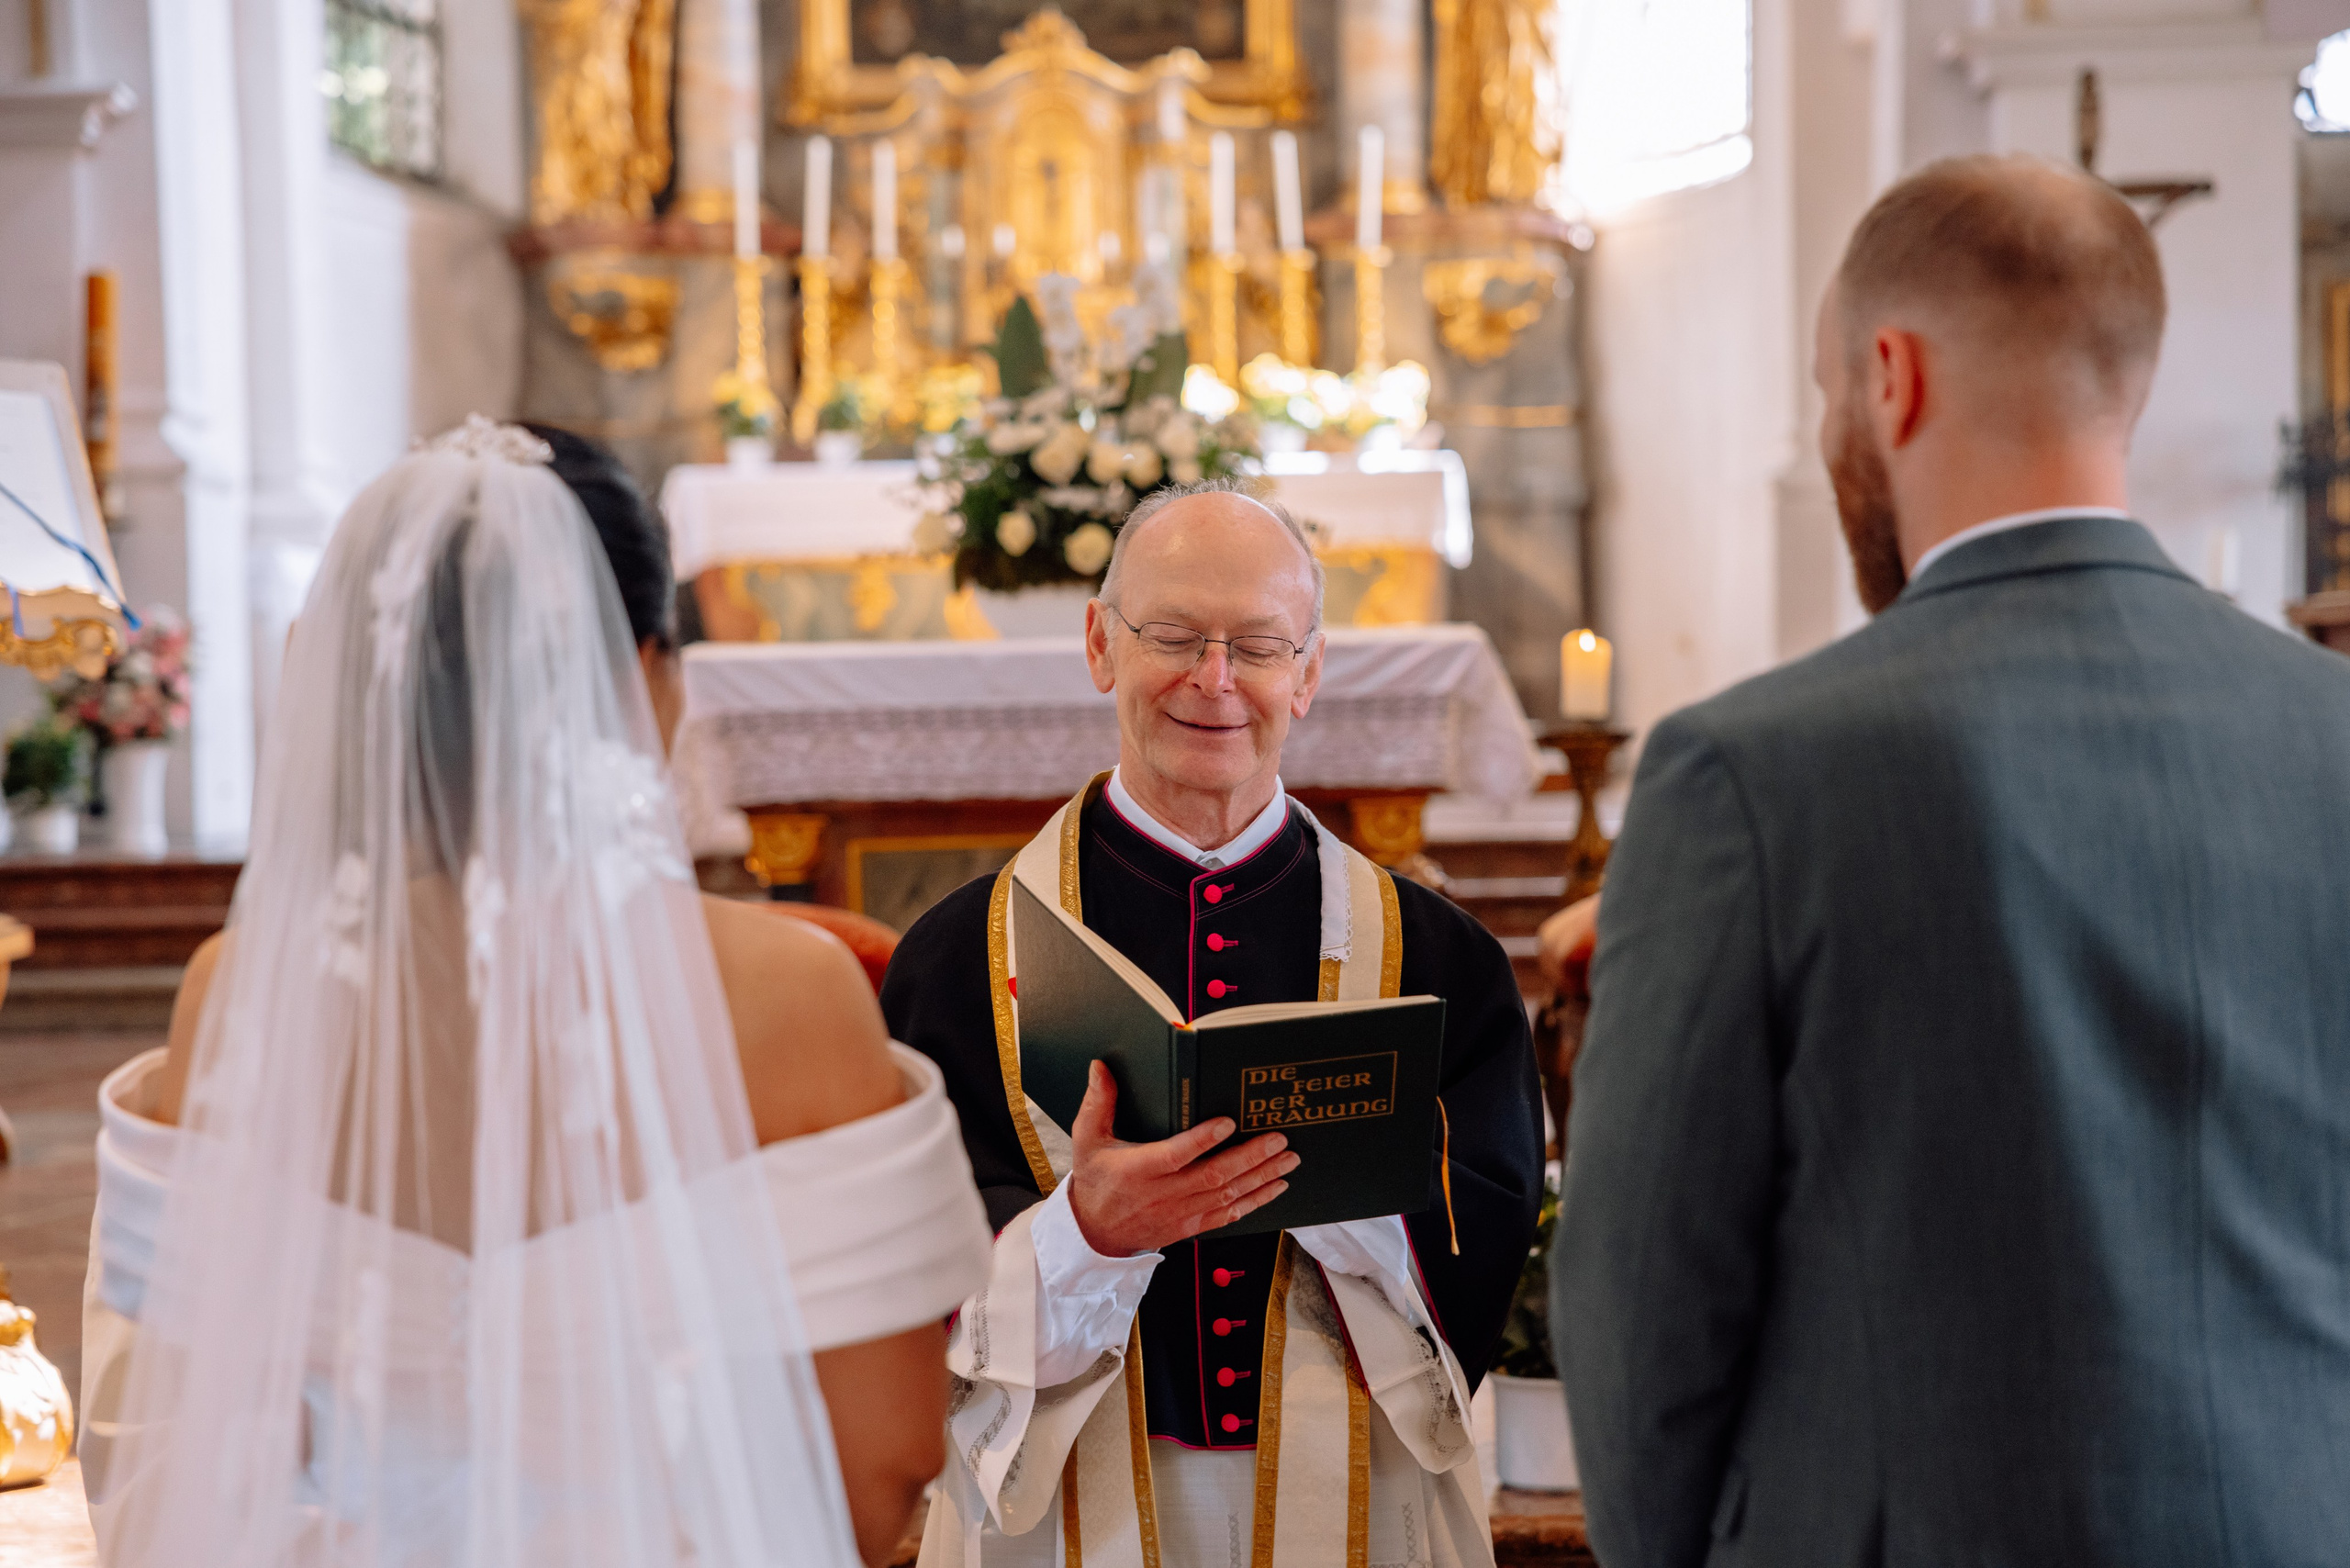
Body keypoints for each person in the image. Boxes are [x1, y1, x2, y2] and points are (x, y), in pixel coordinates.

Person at [1554, 153, 2350, 1567]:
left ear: (1887, 376)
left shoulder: (1747, 774)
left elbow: (1644, 1314)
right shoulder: (2332, 728)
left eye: (1822, 398)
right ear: (2131, 382)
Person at [78, 418, 992, 1566]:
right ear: (645, 677)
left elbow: (176, 1430)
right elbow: (879, 1466)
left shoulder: (240, 991)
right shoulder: (790, 995)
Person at [881, 481, 1544, 1568]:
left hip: (1362, 1496)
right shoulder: (960, 957)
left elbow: (1486, 1236)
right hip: (1055, 1505)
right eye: (1176, 636)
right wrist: (1084, 1232)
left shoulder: (1433, 957)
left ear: (1311, 673)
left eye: (1259, 645)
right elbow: (910, 1261)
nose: (1216, 681)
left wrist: (1332, 1180)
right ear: (1100, 644)